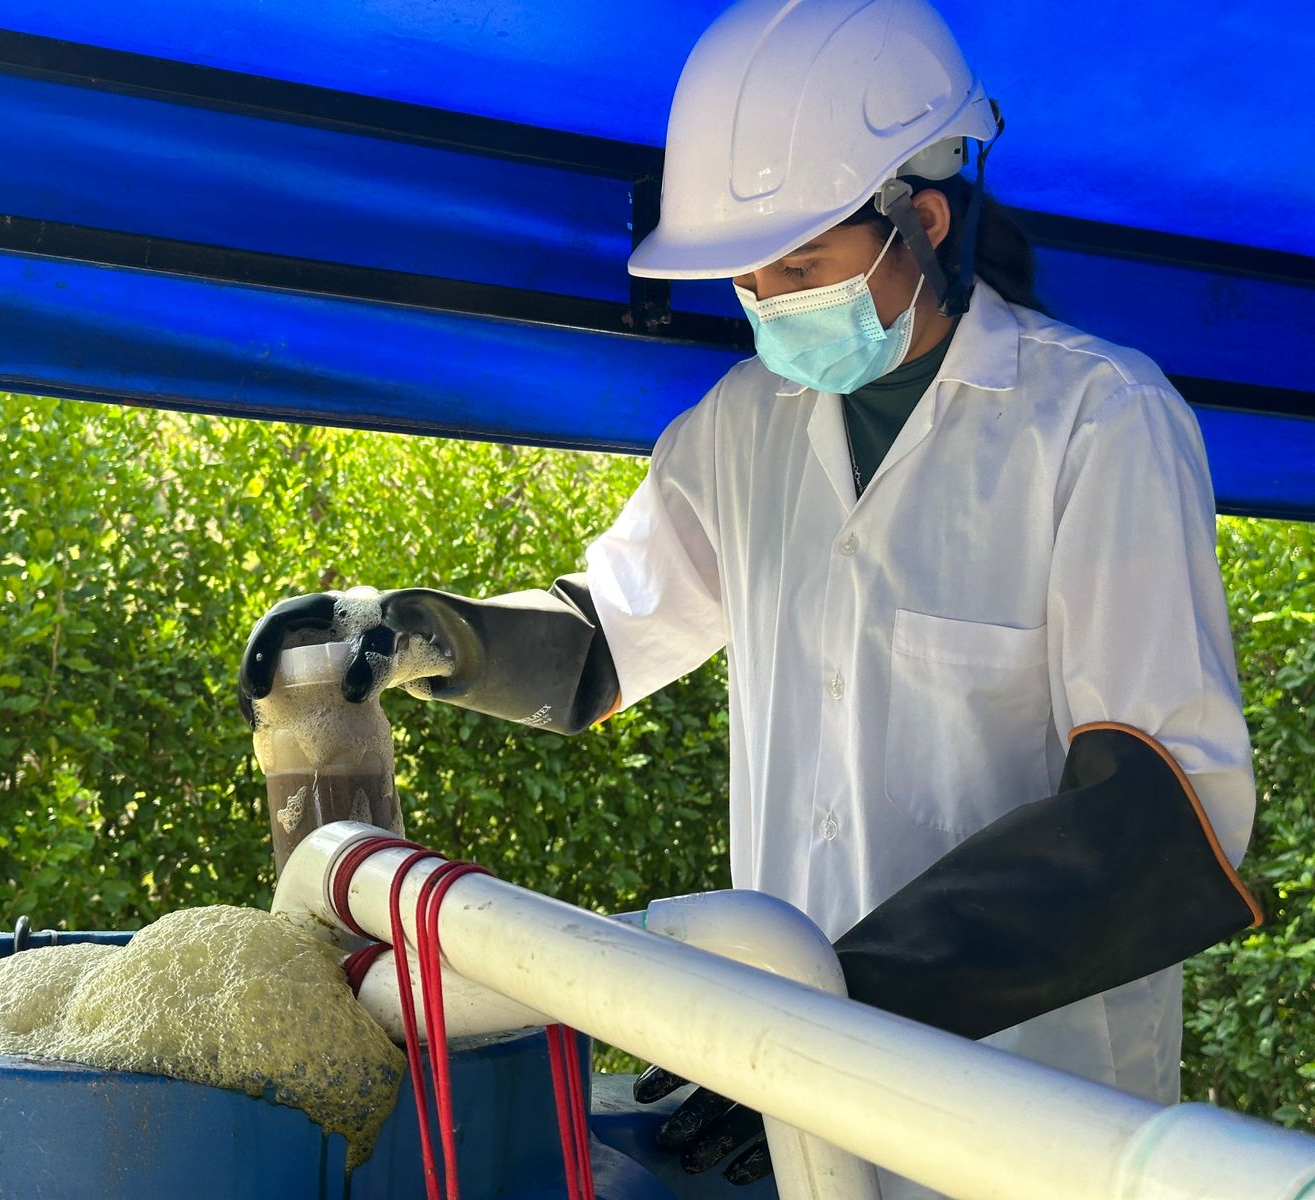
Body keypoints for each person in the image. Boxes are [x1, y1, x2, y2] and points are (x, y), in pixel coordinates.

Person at [240, 0, 1262, 1193]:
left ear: (922, 223)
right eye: (746, 274)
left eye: (799, 264)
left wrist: (838, 1010)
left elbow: (1162, 805)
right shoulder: (743, 426)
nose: (769, 302)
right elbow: (596, 643)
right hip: (791, 1080)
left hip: (1032, 1105)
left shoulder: (1097, 421)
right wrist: (423, 634)